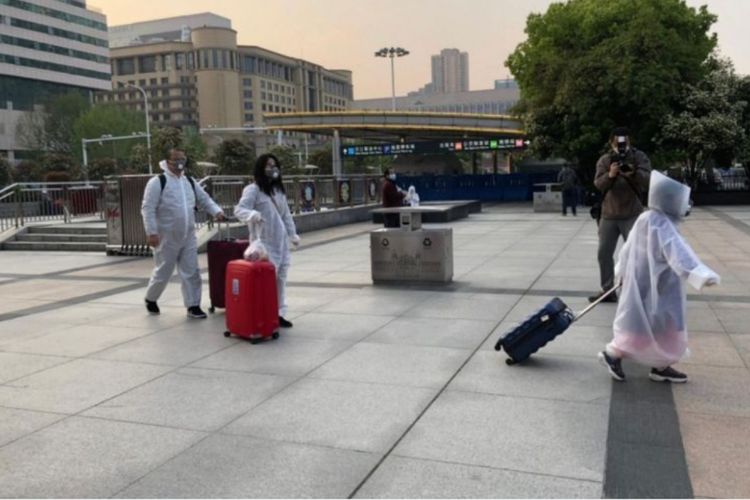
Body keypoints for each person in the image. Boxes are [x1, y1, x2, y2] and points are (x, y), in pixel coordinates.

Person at [598, 171, 720, 383]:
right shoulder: (662, 224)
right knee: (662, 322)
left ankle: (658, 364)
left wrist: (621, 271)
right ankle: (617, 356)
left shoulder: (645, 218)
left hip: (642, 281)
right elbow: (678, 253)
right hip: (660, 284)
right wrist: (701, 274)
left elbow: (627, 249)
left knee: (642, 322)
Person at [142, 148, 225, 319]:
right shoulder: (158, 182)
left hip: (188, 235)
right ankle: (151, 298)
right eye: (176, 159)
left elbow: (204, 199)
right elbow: (148, 208)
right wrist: (151, 232)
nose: (180, 162)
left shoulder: (189, 181)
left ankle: (193, 305)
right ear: (167, 161)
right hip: (166, 236)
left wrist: (217, 211)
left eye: (182, 159)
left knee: (191, 270)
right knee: (163, 271)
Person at [234, 154, 300, 328]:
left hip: (281, 243)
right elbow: (239, 210)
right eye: (269, 166)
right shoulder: (253, 190)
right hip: (263, 244)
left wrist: (292, 234)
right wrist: (252, 214)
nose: (273, 169)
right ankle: (264, 313)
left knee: (281, 279)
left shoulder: (279, 191)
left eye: (275, 165)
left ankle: (278, 314)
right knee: (266, 281)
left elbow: (286, 215)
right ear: (261, 169)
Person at [590, 127, 652, 303]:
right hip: (609, 214)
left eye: (624, 142)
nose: (621, 146)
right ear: (612, 143)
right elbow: (598, 184)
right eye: (618, 143)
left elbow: (648, 179)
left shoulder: (638, 157)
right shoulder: (605, 159)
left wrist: (634, 173)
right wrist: (610, 175)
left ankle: (635, 288)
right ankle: (607, 289)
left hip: (632, 213)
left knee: (636, 254)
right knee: (604, 253)